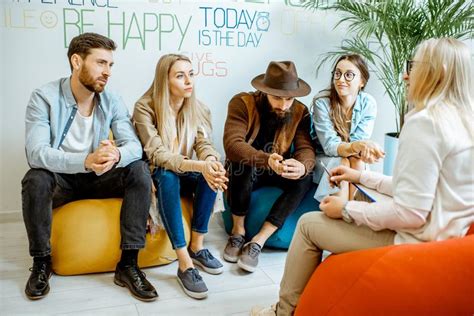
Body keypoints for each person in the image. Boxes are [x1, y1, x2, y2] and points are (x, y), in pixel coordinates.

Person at [251, 37, 474, 316]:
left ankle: (282, 312)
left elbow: (410, 213)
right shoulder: (465, 121)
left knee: (308, 225)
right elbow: (421, 191)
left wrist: (346, 209)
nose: (406, 74)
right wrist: (361, 177)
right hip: (447, 237)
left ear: (436, 70)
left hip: (418, 241)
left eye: (413, 66)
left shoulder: (425, 122)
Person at [22, 33, 157, 301]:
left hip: (99, 177)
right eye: (100, 63)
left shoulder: (112, 99)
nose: (107, 72)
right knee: (35, 178)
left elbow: (134, 145)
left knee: (139, 169)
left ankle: (128, 264)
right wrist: (84, 160)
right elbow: (36, 153)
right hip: (62, 180)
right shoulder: (44, 97)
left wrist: (116, 154)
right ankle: (41, 262)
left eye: (110, 65)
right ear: (76, 61)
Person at [133, 54, 228, 300]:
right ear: (164, 80)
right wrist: (198, 165)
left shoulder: (196, 107)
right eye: (180, 75)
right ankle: (184, 262)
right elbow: (157, 153)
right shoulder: (145, 107)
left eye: (191, 74)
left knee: (212, 170)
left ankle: (198, 246)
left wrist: (210, 162)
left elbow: (203, 143)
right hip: (158, 174)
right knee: (167, 175)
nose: (189, 81)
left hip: (186, 169)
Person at [223, 61, 315, 273]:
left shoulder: (300, 111)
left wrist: (302, 166)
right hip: (248, 170)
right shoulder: (242, 103)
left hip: (276, 168)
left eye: (289, 99)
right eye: (277, 98)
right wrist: (266, 160)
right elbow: (232, 145)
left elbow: (306, 148)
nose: (284, 106)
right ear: (264, 92)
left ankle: (258, 241)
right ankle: (238, 232)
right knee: (241, 163)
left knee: (305, 177)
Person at [311, 54, 384, 202]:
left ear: (362, 81)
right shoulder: (322, 102)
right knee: (343, 161)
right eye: (337, 74)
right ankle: (344, 210)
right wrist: (358, 147)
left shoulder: (368, 103)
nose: (341, 79)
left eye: (349, 75)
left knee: (356, 160)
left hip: (352, 159)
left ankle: (350, 212)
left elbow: (358, 144)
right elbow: (330, 146)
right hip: (324, 158)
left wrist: (363, 149)